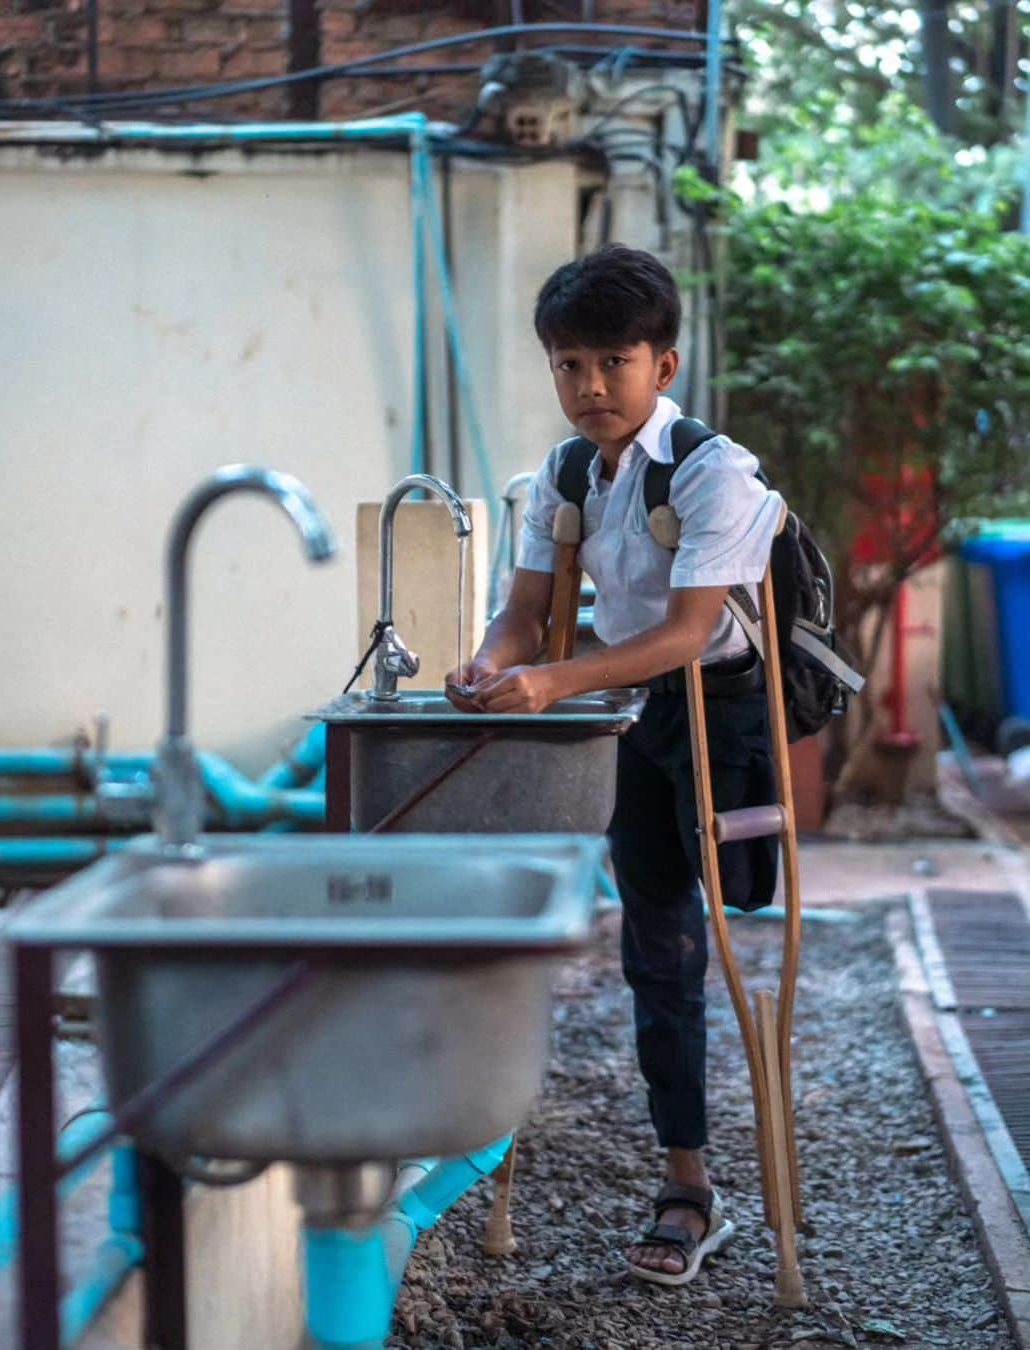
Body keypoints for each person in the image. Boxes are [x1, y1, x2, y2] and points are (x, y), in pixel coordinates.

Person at [445, 243, 784, 1288]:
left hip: (719, 710)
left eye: (612, 363)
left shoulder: (716, 473)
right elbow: (526, 611)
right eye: (568, 365)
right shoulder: (562, 473)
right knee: (661, 946)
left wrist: (555, 682)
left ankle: (746, 1170)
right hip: (635, 714)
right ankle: (689, 1187)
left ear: (664, 365)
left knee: (740, 918)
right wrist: (492, 663)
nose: (589, 387)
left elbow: (689, 632)